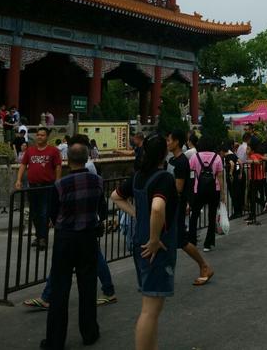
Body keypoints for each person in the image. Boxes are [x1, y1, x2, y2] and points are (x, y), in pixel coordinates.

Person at [111, 134, 178, 350]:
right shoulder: (164, 178)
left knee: (150, 306)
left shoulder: (139, 176)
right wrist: (155, 239)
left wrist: (137, 214)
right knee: (150, 310)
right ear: (164, 153)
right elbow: (158, 207)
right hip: (154, 248)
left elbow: (115, 196)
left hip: (138, 242)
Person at [40, 144, 105, 349]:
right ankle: (89, 332)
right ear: (87, 158)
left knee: (60, 289)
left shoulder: (60, 185)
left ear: (68, 159)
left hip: (65, 239)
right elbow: (102, 210)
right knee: (88, 287)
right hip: (88, 238)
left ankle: (55, 340)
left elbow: (52, 213)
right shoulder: (98, 182)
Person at [166, 129, 214, 285]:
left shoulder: (181, 162)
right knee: (172, 239)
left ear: (177, 142)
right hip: (171, 205)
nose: (168, 143)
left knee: (182, 240)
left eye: (169, 140)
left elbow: (179, 188)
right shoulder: (172, 161)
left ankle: (204, 266)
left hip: (176, 205)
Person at [15, 127, 62, 249]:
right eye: (38, 135)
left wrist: (57, 181)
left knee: (44, 213)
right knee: (34, 213)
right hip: (33, 187)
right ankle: (39, 236)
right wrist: (19, 180)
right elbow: (23, 165)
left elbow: (58, 167)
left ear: (47, 137)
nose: (39, 137)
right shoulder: (30, 151)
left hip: (48, 186)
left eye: (42, 135)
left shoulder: (53, 151)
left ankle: (43, 239)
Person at [188, 136, 225, 251]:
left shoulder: (195, 156)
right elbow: (219, 176)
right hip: (214, 189)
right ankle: (208, 244)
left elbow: (190, 172)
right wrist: (223, 193)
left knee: (194, 215)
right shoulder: (217, 157)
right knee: (211, 215)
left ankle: (192, 240)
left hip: (198, 189)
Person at [246, 141, 267, 224]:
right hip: (258, 179)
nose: (246, 150)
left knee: (251, 197)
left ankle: (262, 205)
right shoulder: (257, 155)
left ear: (252, 150)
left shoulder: (252, 156)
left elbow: (257, 162)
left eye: (248, 149)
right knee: (251, 197)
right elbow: (265, 158)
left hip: (254, 179)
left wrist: (250, 161)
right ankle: (252, 214)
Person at [220, 140, 244, 218]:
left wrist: (230, 174)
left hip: (232, 178)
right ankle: (239, 211)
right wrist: (240, 173)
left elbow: (232, 164)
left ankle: (236, 212)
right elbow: (240, 162)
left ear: (222, 151)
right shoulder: (233, 155)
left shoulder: (227, 157)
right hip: (237, 176)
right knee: (238, 194)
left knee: (233, 195)